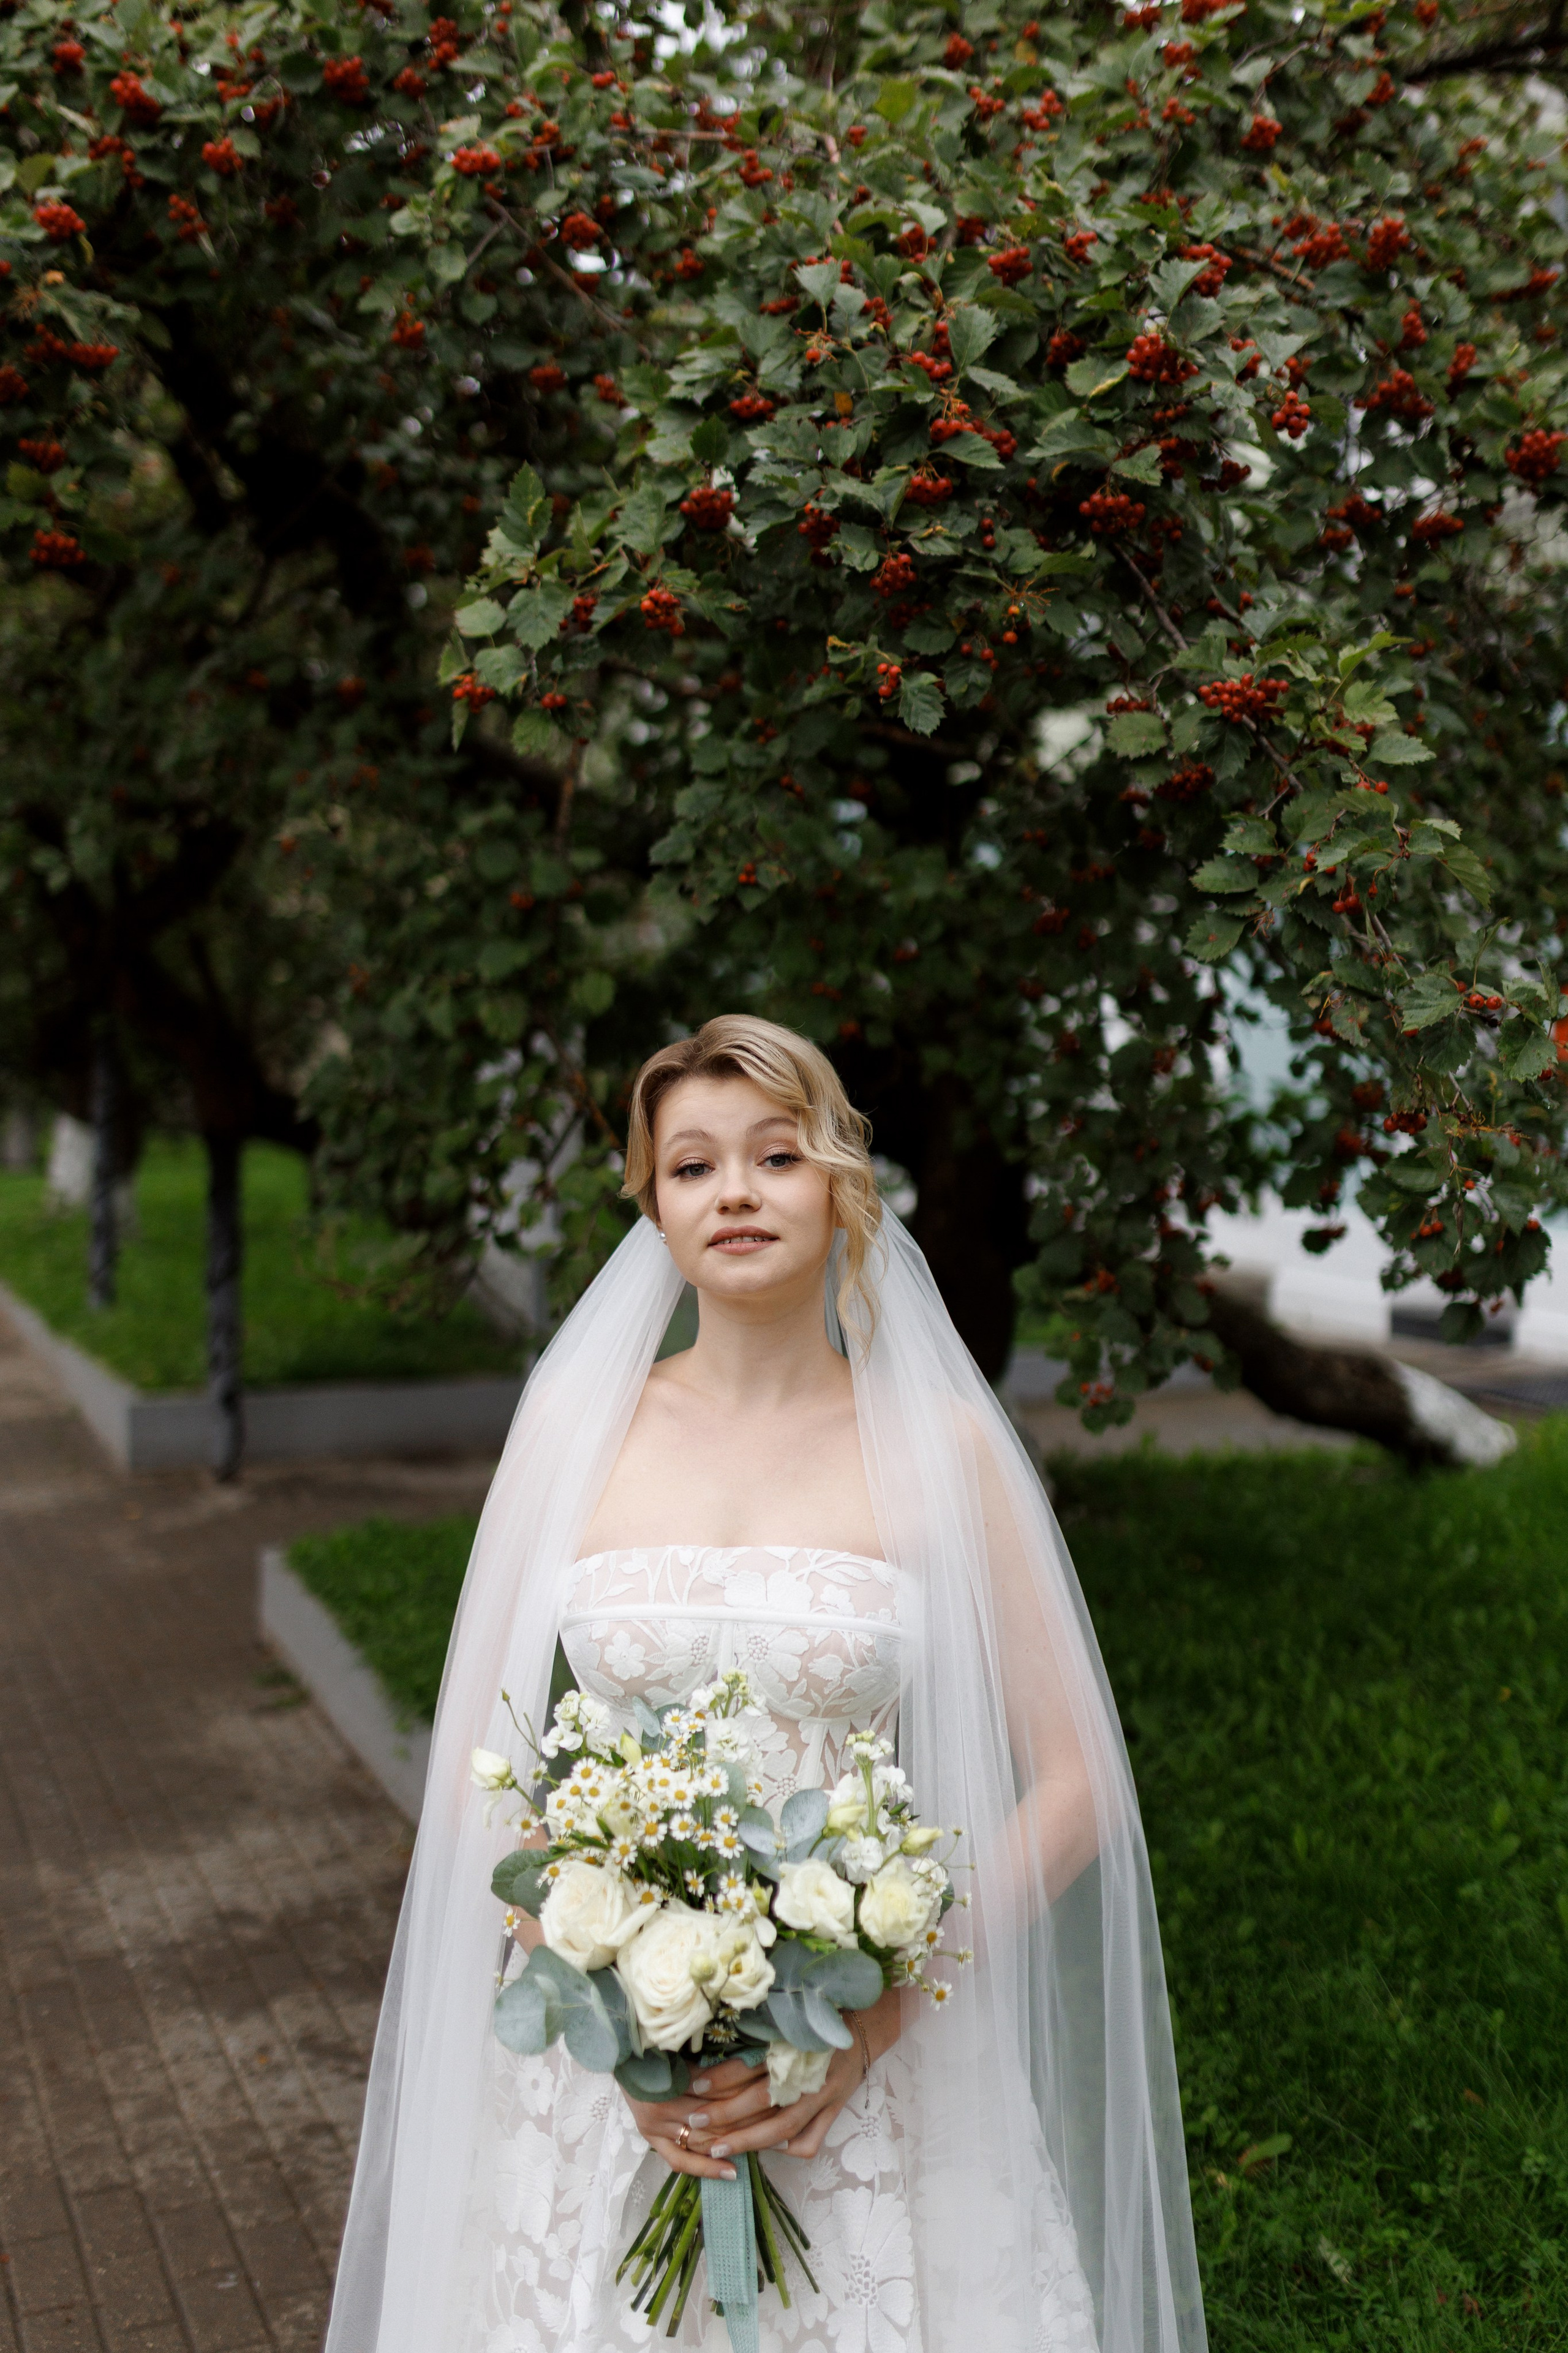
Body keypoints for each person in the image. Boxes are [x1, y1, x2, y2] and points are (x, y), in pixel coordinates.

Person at [325, 1016, 1207, 2353]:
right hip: (598, 2078)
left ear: (839, 1183)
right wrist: (602, 1989)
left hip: (874, 2072)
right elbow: (470, 1759)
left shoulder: (943, 1444)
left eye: (773, 1155)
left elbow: (1076, 1781)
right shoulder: (576, 1425)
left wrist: (874, 2012)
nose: (732, 1192)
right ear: (655, 1205)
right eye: (691, 1166)